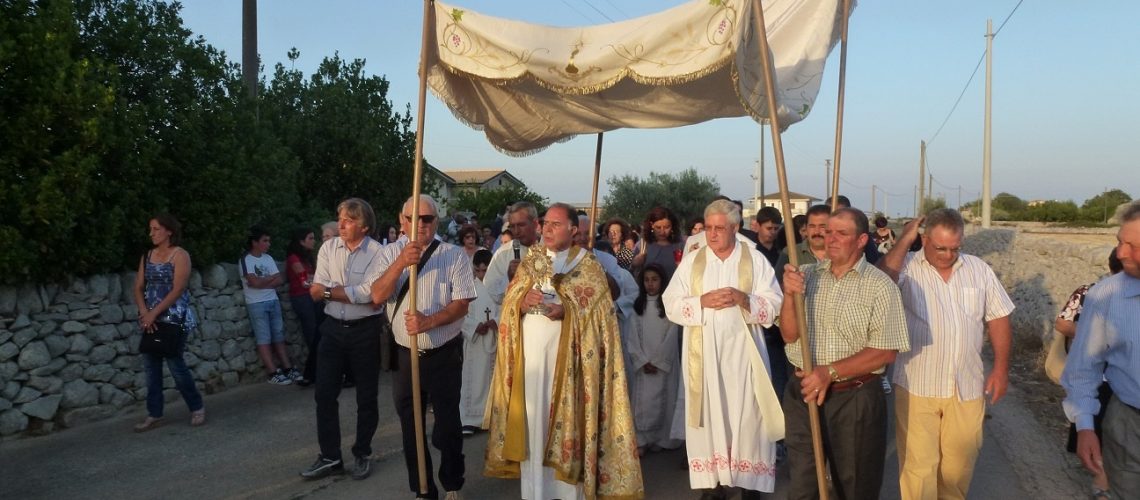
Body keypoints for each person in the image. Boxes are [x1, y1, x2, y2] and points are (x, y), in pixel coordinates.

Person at [484, 203, 643, 500]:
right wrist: (520, 302)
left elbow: (603, 318)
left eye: (555, 224)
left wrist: (568, 310)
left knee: (568, 428)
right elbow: (508, 304)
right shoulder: (533, 259)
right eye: (545, 223)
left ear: (572, 230)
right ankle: (536, 493)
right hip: (531, 367)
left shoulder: (588, 266)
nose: (547, 228)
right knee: (535, 426)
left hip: (570, 368)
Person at [877, 209, 1015, 500]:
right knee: (919, 468)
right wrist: (903, 240)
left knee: (958, 468)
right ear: (924, 239)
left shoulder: (978, 269)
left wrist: (1001, 369)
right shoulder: (907, 268)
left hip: (966, 385)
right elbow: (880, 280)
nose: (947, 255)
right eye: (940, 247)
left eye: (955, 248)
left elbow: (999, 317)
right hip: (917, 384)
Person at [780, 207, 909, 500]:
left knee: (853, 485)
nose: (830, 239)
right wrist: (789, 296)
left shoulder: (879, 286)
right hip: (804, 393)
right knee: (802, 484)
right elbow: (789, 334)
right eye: (828, 232)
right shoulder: (807, 276)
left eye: (841, 233)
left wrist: (830, 371)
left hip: (855, 397)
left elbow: (885, 352)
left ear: (862, 239)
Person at [663, 199, 784, 499]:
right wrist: (700, 302)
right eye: (708, 229)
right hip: (705, 357)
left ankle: (748, 484)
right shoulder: (694, 261)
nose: (712, 235)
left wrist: (744, 299)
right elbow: (671, 303)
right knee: (711, 415)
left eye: (719, 228)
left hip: (744, 358)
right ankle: (713, 485)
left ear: (735, 227)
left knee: (746, 418)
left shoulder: (754, 260)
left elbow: (775, 303)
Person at [371, 194, 476, 500]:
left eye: (426, 219)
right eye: (413, 218)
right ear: (402, 220)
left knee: (447, 428)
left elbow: (462, 304)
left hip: (443, 353)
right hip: (406, 356)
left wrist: (429, 322)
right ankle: (422, 488)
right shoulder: (388, 253)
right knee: (411, 427)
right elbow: (377, 296)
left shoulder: (453, 255)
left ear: (436, 221)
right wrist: (401, 263)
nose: (419, 224)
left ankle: (452, 480)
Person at [301, 198, 386, 481]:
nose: (341, 225)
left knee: (366, 396)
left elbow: (372, 295)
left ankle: (362, 452)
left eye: (348, 220)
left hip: (365, 331)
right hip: (332, 328)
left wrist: (330, 290)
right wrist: (340, 292)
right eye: (340, 219)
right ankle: (330, 457)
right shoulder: (328, 247)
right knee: (324, 394)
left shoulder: (377, 252)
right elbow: (315, 289)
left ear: (363, 225)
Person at [1063, 201, 1140, 498]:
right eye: (1120, 242)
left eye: (1132, 246)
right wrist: (1085, 425)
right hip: (1129, 426)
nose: (1120, 254)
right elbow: (1083, 367)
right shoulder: (1106, 295)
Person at [1056, 250, 1123, 500]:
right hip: (1100, 376)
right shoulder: (1092, 292)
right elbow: (1063, 323)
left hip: (1122, 379)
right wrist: (1094, 336)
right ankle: (1103, 481)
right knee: (1103, 426)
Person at [132, 214, 205, 432]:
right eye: (151, 229)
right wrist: (145, 312)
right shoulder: (147, 256)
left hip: (174, 317)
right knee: (150, 365)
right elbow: (138, 286)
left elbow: (178, 288)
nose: (151, 233)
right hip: (151, 318)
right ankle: (154, 413)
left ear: (168, 231)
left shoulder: (180, 255)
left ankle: (196, 406)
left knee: (175, 363)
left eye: (156, 229)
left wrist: (153, 313)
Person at [627, 264, 682, 455]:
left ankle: (662, 439)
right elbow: (632, 336)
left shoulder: (669, 306)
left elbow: (671, 336)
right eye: (647, 280)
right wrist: (642, 361)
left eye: (655, 279)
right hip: (643, 364)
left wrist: (658, 361)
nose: (650, 284)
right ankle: (642, 440)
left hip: (662, 363)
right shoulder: (637, 306)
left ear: (662, 281)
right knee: (642, 402)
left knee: (665, 401)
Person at [241, 226, 299, 385]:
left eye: (268, 241)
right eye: (264, 241)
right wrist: (268, 280)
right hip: (256, 303)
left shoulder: (268, 258)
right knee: (264, 337)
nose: (268, 244)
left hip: (272, 300)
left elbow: (278, 280)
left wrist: (262, 283)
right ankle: (272, 371)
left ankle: (287, 368)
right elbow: (254, 282)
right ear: (255, 242)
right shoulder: (247, 259)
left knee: (278, 335)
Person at [460, 249, 498, 435]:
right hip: (474, 343)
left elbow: (506, 309)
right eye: (479, 270)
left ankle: (490, 417)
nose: (482, 274)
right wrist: (475, 326)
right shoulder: (468, 288)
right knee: (473, 379)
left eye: (486, 270)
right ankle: (470, 419)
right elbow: (459, 314)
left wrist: (496, 322)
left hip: (494, 340)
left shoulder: (499, 288)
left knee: (492, 380)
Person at [485, 201, 540, 306]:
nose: (516, 231)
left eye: (521, 225)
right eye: (512, 226)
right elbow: (492, 292)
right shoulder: (502, 254)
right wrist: (510, 279)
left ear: (535, 224)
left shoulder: (550, 249)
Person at [286, 227, 321, 387]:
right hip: (301, 297)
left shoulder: (306, 258)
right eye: (310, 238)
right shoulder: (294, 258)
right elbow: (305, 279)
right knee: (312, 333)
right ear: (301, 241)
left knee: (316, 332)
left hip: (310, 296)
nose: (313, 241)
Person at [774, 204, 830, 286]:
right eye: (812, 226)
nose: (816, 232)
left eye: (822, 227)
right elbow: (776, 287)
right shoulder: (790, 253)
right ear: (806, 228)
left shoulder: (841, 254)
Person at [632, 206, 687, 280]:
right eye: (658, 227)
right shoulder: (642, 246)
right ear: (652, 225)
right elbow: (629, 273)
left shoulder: (680, 245)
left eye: (667, 227)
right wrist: (635, 263)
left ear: (672, 226)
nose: (662, 232)